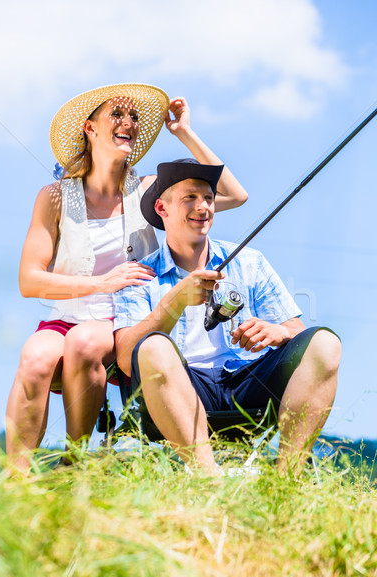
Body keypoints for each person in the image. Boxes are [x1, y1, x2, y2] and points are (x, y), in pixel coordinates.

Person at [6, 84, 248, 472]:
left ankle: (76, 462)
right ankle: (14, 481)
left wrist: (184, 132)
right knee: (35, 357)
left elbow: (234, 195)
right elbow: (29, 280)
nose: (129, 123)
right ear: (90, 128)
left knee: (85, 342)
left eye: (134, 117)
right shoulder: (54, 197)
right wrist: (101, 283)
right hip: (65, 316)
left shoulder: (149, 190)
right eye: (117, 115)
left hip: (125, 318)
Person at [113, 159, 342, 478]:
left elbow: (298, 333)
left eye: (208, 198)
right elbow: (126, 358)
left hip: (247, 384)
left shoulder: (250, 261)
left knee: (326, 343)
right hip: (182, 387)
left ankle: (287, 480)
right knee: (152, 348)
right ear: (161, 209)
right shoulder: (139, 275)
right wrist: (174, 301)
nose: (202, 206)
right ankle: (208, 478)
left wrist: (278, 332)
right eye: (189, 198)